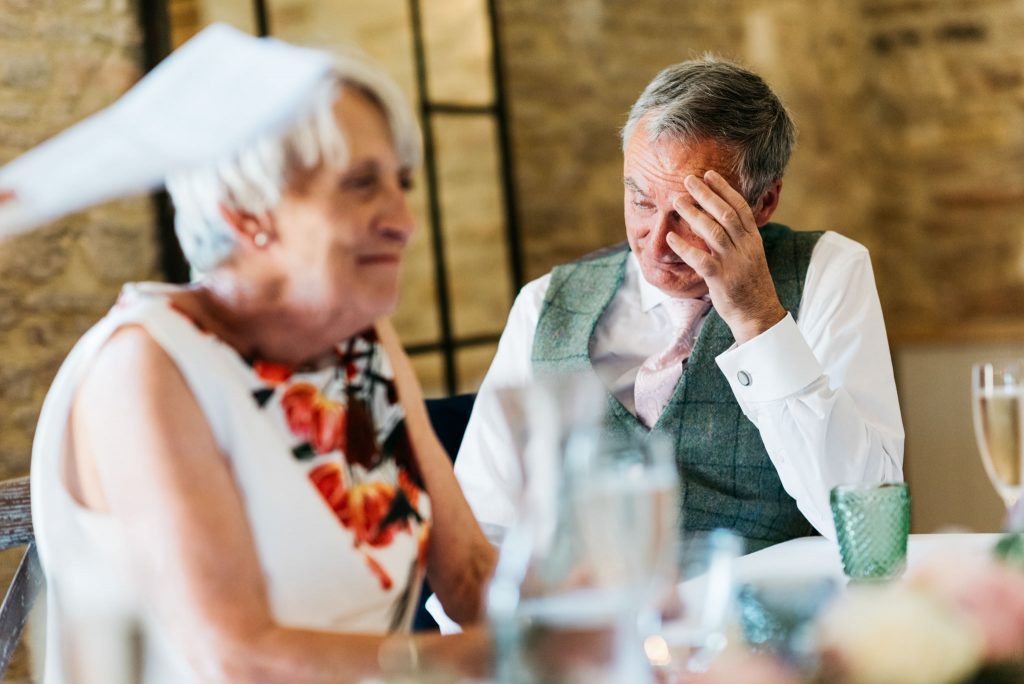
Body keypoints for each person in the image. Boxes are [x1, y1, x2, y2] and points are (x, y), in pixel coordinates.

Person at [6, 25, 494, 682]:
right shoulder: (147, 364)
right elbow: (237, 657)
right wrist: (497, 659)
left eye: (402, 182)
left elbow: (467, 573)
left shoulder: (359, 341)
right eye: (360, 183)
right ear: (246, 211)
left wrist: (620, 638)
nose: (402, 218)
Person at [454, 56, 904, 558]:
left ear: (764, 202)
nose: (659, 241)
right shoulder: (542, 305)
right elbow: (480, 528)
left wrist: (759, 321)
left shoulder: (828, 271)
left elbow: (868, 517)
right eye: (642, 202)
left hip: (763, 624)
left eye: (693, 213)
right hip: (594, 626)